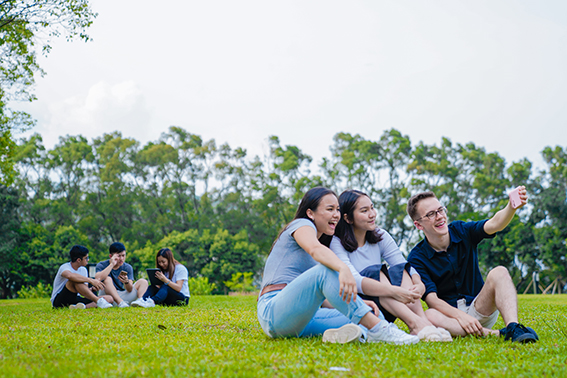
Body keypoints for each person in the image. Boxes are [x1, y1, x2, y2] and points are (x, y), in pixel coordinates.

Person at [257, 186, 419, 345]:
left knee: (371, 314)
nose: (336, 215)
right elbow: (314, 249)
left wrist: (359, 304)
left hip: (302, 320)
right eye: (330, 209)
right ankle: (380, 330)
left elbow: (321, 298)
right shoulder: (301, 225)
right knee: (325, 271)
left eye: (338, 210)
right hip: (273, 312)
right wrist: (342, 268)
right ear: (310, 213)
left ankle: (352, 335)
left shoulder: (322, 247)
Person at [406, 188, 538, 343]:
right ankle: (497, 334)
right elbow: (432, 300)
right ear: (418, 225)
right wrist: (460, 316)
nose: (440, 216)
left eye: (440, 210)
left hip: (480, 307)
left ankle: (514, 327)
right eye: (431, 214)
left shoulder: (461, 230)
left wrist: (511, 207)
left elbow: (494, 224)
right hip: (451, 318)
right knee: (429, 315)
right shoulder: (416, 257)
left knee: (499, 272)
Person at [330, 190, 452, 342]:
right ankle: (415, 324)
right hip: (362, 307)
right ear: (348, 218)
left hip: (387, 306)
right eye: (364, 211)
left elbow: (403, 265)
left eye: (372, 208)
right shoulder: (337, 242)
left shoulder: (380, 236)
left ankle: (423, 323)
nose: (372, 214)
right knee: (374, 271)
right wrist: (394, 291)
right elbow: (354, 280)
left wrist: (419, 283)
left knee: (400, 270)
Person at [51, 245, 114, 309]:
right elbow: (69, 275)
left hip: (75, 299)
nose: (88, 259)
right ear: (78, 260)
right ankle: (98, 301)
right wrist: (91, 280)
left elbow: (83, 290)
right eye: (86, 258)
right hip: (60, 300)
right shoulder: (65, 267)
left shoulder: (83, 270)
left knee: (109, 298)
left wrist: (92, 289)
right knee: (74, 280)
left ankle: (81, 307)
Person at [95, 242, 149, 308]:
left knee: (143, 281)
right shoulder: (102, 265)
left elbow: (129, 289)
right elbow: (98, 278)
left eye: (123, 256)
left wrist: (126, 282)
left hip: (123, 296)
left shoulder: (127, 267)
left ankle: (140, 301)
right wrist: (112, 264)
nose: (121, 259)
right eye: (118, 256)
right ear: (110, 256)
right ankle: (119, 302)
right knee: (107, 279)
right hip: (108, 296)